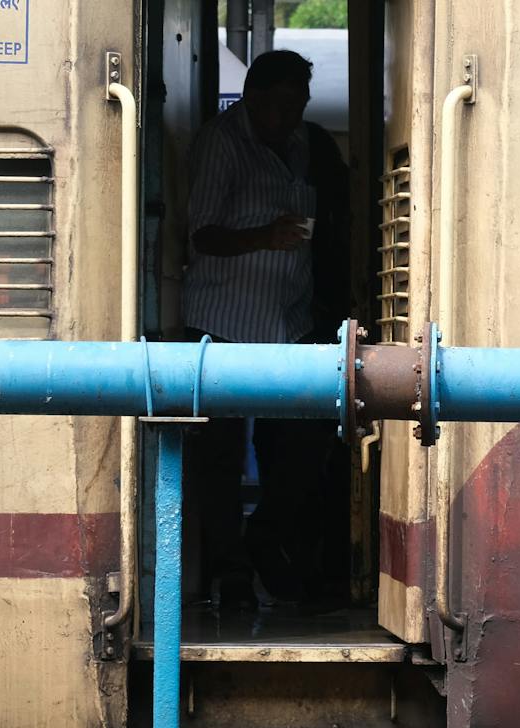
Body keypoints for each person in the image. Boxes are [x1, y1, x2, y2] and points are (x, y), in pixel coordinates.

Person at [182, 50, 351, 611]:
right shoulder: (222, 140)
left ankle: (268, 536)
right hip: (223, 324)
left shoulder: (306, 144)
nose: (290, 114)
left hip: (290, 322)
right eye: (281, 103)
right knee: (221, 457)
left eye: (298, 103)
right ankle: (231, 571)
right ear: (253, 94)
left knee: (305, 440)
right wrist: (262, 237)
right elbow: (200, 235)